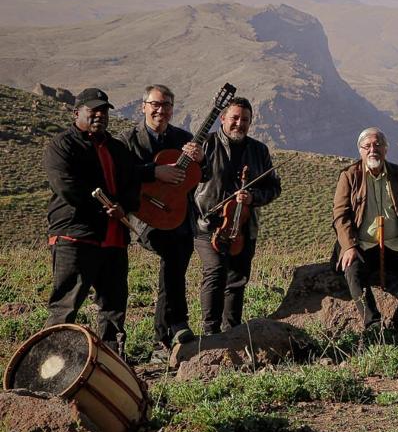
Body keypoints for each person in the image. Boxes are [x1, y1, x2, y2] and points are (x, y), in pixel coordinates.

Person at [42, 88, 141, 353]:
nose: (100, 115)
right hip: (75, 236)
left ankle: (111, 363)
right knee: (66, 305)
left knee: (113, 307)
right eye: (93, 110)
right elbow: (66, 186)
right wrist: (103, 208)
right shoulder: (62, 145)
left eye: (104, 111)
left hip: (114, 239)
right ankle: (50, 365)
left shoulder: (118, 149)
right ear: (77, 113)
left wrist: (124, 205)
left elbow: (133, 186)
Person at [119, 85, 205, 358]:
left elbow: (200, 178)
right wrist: (155, 171)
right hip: (144, 216)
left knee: (178, 255)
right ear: (143, 106)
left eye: (167, 105)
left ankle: (166, 334)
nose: (161, 110)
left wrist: (202, 161)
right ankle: (175, 325)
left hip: (176, 215)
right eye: (155, 104)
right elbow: (120, 174)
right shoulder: (127, 140)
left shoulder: (183, 139)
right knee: (171, 252)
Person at [193, 97, 281, 335]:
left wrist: (253, 197)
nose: (239, 124)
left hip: (243, 227)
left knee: (237, 279)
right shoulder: (207, 144)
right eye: (234, 118)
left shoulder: (259, 151)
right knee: (216, 272)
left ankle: (231, 332)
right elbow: (192, 178)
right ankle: (210, 332)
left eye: (245, 120)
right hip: (208, 223)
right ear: (223, 118)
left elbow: (273, 188)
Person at [332, 127, 398, 330]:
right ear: (360, 150)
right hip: (361, 244)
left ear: (386, 149)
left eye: (377, 145)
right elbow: (340, 215)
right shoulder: (349, 176)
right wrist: (348, 246)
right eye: (367, 146)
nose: (373, 150)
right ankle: (372, 323)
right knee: (353, 270)